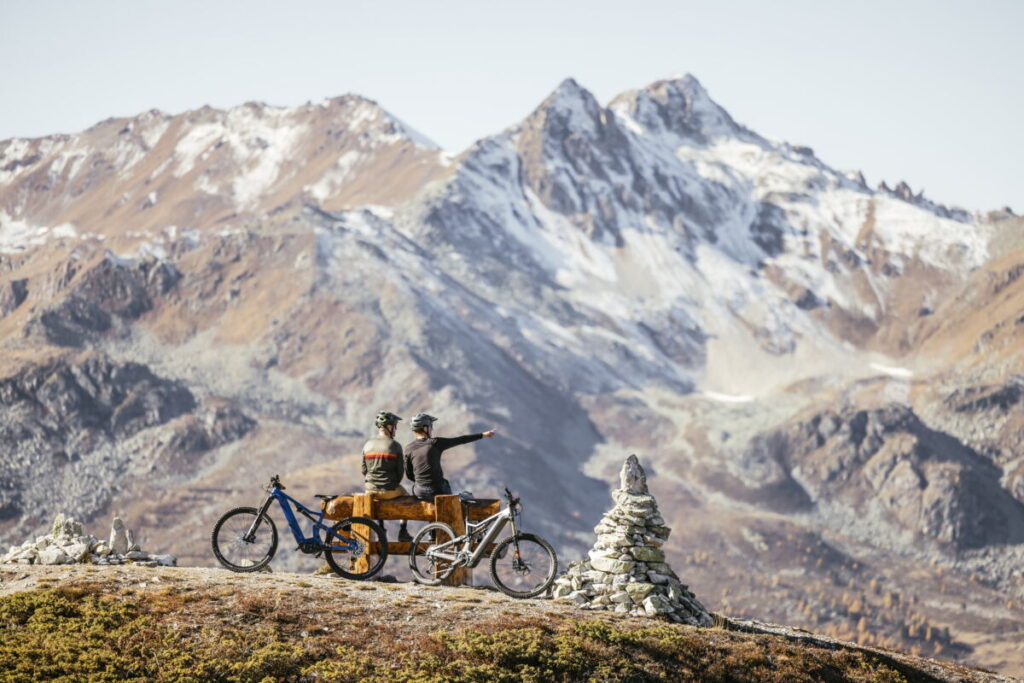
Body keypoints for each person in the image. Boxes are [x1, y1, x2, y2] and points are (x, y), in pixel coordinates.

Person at [404, 412, 497, 501]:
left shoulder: (408, 448)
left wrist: (422, 483)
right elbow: (461, 440)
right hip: (437, 491)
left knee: (418, 487)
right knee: (445, 484)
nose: (431, 429)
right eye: (430, 426)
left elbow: (409, 475)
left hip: (420, 492)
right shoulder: (435, 443)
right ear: (425, 428)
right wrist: (482, 435)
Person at [362, 410, 412, 542]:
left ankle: (381, 528)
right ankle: (403, 531)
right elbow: (400, 472)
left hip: (369, 490)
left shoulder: (367, 445)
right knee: (406, 496)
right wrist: (390, 483)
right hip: (389, 490)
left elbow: (363, 470)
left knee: (377, 500)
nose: (395, 429)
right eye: (394, 426)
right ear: (389, 427)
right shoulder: (395, 446)